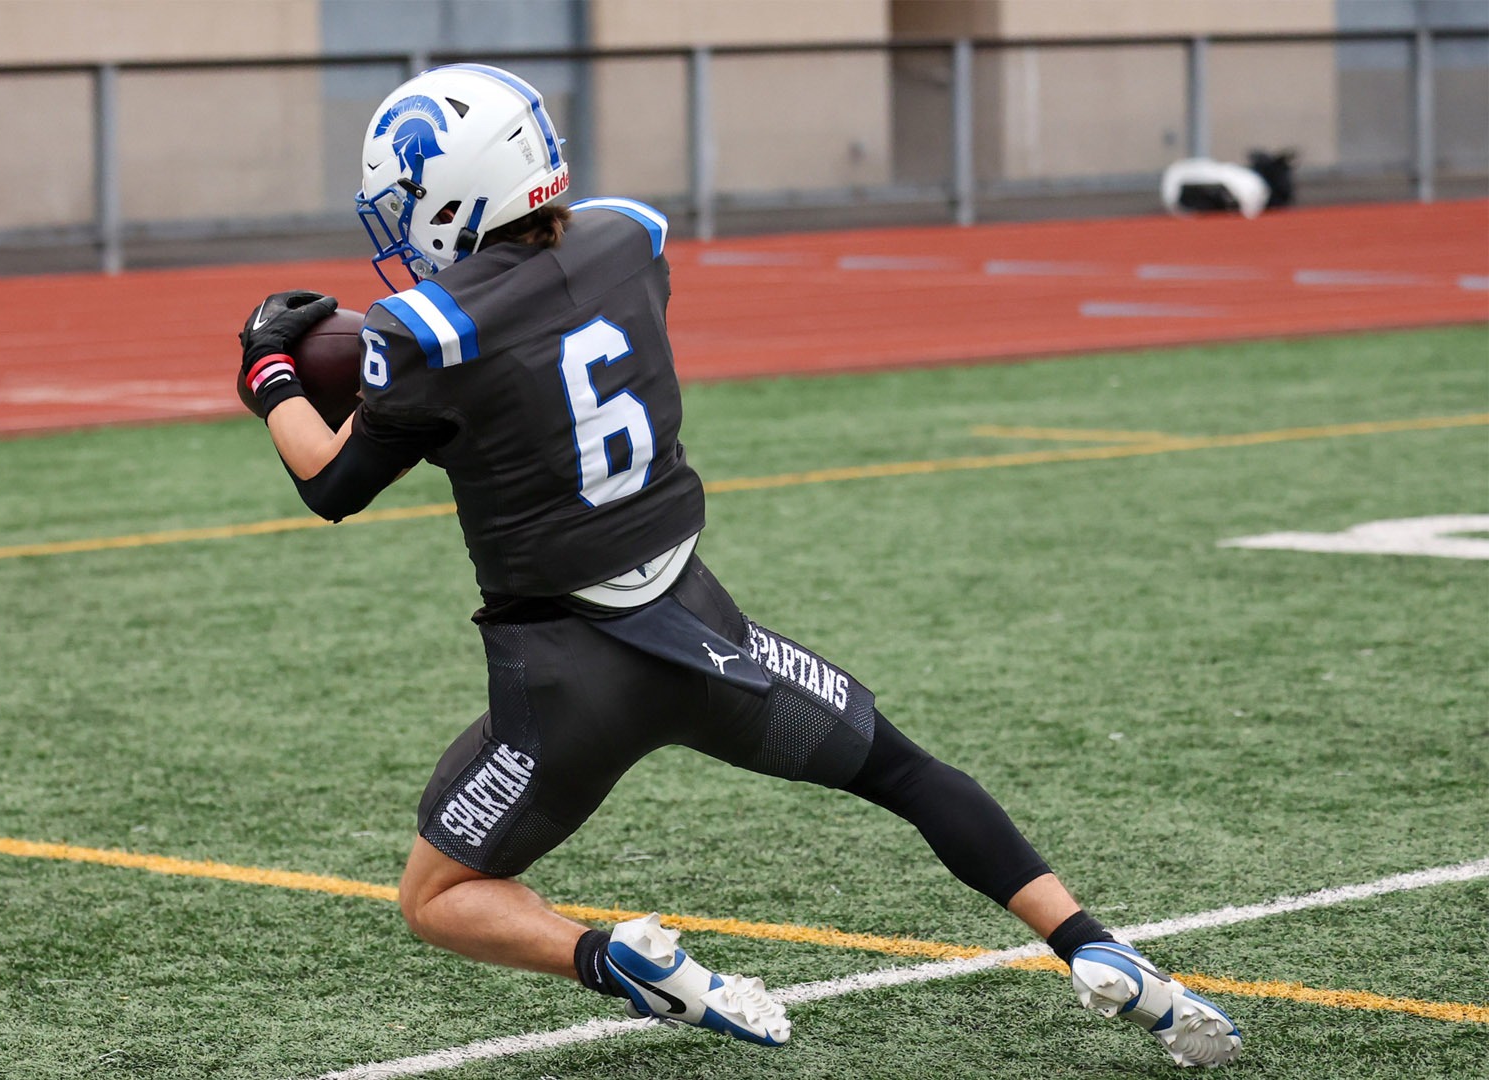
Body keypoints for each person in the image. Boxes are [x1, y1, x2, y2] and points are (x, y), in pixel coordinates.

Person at [235, 63, 1241, 1067]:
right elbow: (530, 353)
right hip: (707, 637)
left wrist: (271, 370)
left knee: (437, 897)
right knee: (903, 769)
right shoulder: (630, 236)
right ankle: (1091, 944)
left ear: (456, 194)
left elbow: (334, 481)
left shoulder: (429, 333)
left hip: (566, 677)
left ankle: (613, 960)